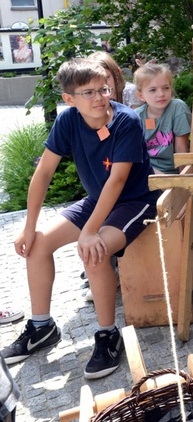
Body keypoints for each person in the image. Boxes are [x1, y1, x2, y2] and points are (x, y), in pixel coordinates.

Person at [0, 58, 160, 379]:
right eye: (88, 93)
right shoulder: (68, 121)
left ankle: (107, 334)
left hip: (135, 202)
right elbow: (43, 172)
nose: (99, 98)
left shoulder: (126, 121)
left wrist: (89, 231)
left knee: (94, 247)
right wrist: (28, 229)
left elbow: (116, 181)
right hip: (96, 201)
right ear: (69, 99)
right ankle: (42, 327)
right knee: (39, 244)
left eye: (103, 89)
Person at [134, 62, 192, 174]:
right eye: (153, 90)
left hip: (173, 171)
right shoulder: (136, 117)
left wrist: (184, 181)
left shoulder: (177, 108)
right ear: (141, 96)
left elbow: (181, 148)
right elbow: (137, 156)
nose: (161, 94)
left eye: (165, 88)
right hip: (147, 171)